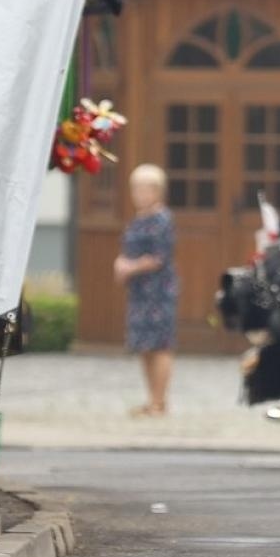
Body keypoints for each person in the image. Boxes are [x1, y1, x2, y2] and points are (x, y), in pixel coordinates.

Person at [115, 164, 179, 417]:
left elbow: (159, 257)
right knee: (144, 344)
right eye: (135, 188)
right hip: (139, 291)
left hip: (158, 290)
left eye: (144, 188)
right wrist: (121, 264)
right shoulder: (138, 218)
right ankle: (150, 398)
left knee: (160, 344)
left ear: (157, 190)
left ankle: (159, 401)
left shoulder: (162, 219)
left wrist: (130, 267)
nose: (139, 194)